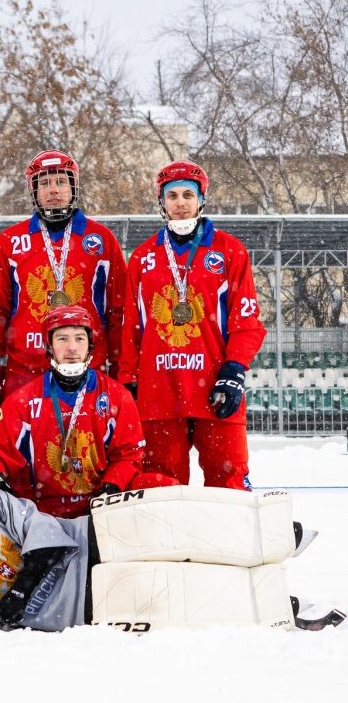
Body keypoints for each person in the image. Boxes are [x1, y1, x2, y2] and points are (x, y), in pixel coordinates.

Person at [0, 449, 326, 634]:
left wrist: (23, 588)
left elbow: (42, 536)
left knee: (172, 523)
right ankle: (273, 603)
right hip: (75, 605)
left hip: (90, 540)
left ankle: (270, 534)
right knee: (180, 592)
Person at [118, 161, 266, 489]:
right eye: (172, 195)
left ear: (202, 200)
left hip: (214, 386)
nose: (180, 202)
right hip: (159, 392)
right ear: (162, 202)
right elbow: (130, 329)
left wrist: (233, 371)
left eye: (188, 194)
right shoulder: (143, 257)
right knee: (160, 483)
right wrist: (128, 378)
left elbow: (247, 321)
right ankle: (166, 542)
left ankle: (232, 539)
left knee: (229, 479)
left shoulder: (229, 251)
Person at [0, 151, 127, 418]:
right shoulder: (11, 241)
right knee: (19, 454)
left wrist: (121, 367)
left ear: (74, 186)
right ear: (34, 191)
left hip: (86, 369)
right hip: (25, 369)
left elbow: (117, 311)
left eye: (60, 181)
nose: (53, 190)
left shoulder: (102, 240)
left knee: (84, 453)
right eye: (44, 183)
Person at [0, 305, 149, 518]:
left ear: (90, 345)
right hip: (41, 513)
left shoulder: (117, 396)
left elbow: (129, 454)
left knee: (161, 485)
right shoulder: (23, 400)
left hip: (101, 508)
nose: (72, 347)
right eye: (62, 339)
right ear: (50, 346)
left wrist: (112, 486)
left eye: (80, 339)